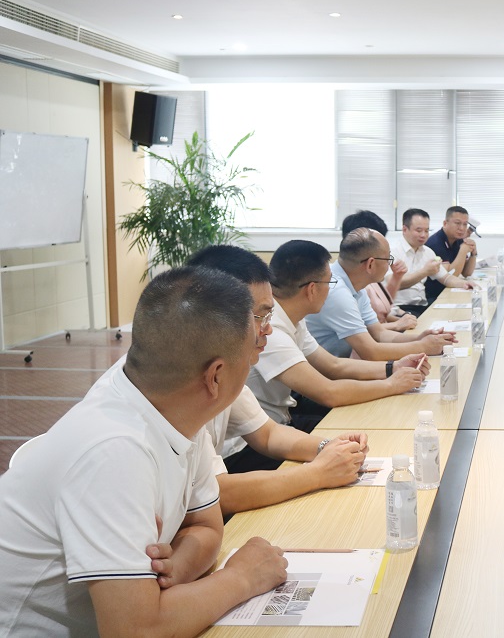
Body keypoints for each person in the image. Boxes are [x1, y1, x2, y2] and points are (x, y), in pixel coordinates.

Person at [0, 267, 288, 637]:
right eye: (250, 356)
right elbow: (135, 631)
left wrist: (175, 569)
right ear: (215, 376)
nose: (253, 360)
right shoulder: (114, 450)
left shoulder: (173, 406)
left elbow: (205, 525)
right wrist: (242, 577)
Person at [186, 245, 369, 510]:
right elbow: (216, 494)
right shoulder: (178, 382)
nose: (268, 329)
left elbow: (268, 434)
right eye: (260, 316)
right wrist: (319, 472)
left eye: (268, 315)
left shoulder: (225, 366)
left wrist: (330, 447)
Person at [247, 239, 429, 433]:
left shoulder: (293, 317)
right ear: (312, 289)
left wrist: (394, 367)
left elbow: (334, 365)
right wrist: (391, 384)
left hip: (283, 417)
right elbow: (328, 392)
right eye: (329, 282)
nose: (330, 288)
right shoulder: (270, 330)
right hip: (265, 432)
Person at [306, 229, 458, 360]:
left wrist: (419, 338)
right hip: (320, 375)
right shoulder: (337, 291)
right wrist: (423, 346)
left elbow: (379, 334)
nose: (389, 265)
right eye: (388, 259)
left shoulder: (356, 285)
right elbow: (370, 351)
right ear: (371, 264)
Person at [391, 207, 476, 317]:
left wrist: (464, 283)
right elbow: (393, 284)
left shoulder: (427, 251)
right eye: (418, 230)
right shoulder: (392, 251)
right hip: (399, 308)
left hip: (422, 306)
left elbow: (446, 277)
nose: (423, 235)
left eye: (426, 231)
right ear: (404, 229)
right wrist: (424, 272)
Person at [341, 210, 417, 331]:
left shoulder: (369, 275)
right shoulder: (349, 284)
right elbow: (362, 331)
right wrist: (398, 324)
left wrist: (397, 277)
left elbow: (383, 311)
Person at [424, 205, 478, 305]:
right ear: (445, 223)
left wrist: (473, 253)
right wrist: (463, 251)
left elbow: (467, 273)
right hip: (433, 297)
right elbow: (451, 275)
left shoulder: (458, 239)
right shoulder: (436, 243)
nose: (462, 228)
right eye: (457, 223)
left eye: (465, 224)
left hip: (448, 291)